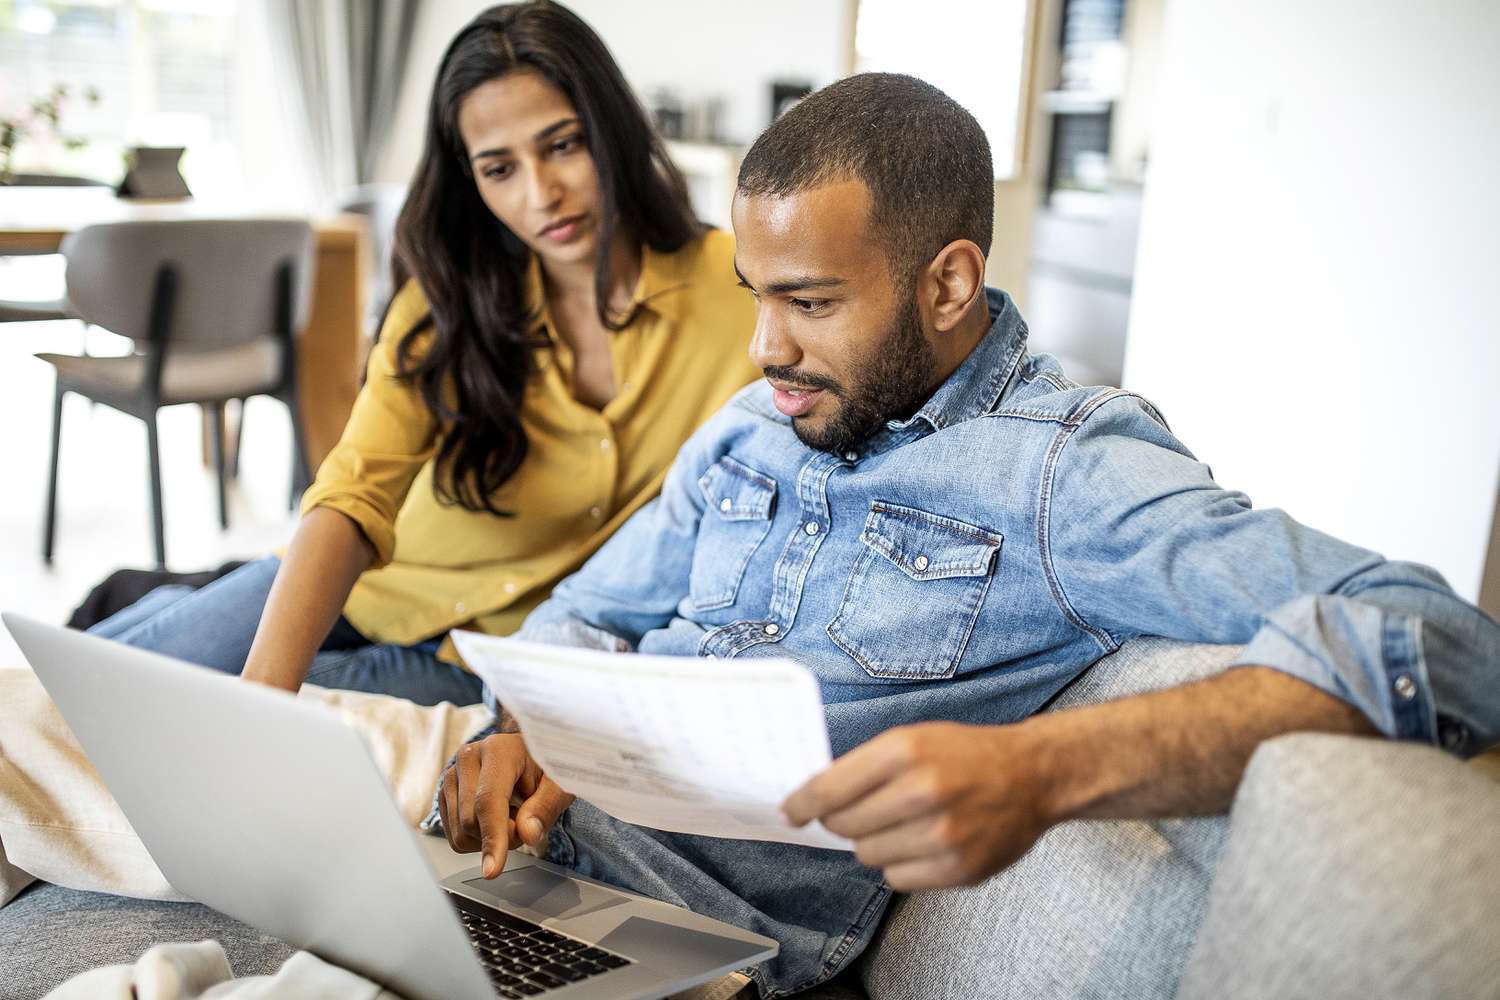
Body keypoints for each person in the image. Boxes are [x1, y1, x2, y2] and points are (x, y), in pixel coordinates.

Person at [434, 73, 1500, 996]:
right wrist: (521, 724)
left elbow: (1441, 636)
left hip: (683, 937)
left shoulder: (1064, 471)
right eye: (756, 297)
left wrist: (1040, 770)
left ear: (946, 282)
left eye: (808, 301)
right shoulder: (758, 424)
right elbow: (585, 610)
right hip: (526, 860)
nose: (765, 347)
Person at [85, 1, 758, 705]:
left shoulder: (739, 287)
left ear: (612, 131)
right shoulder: (449, 298)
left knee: (173, 715)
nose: (542, 194)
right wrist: (262, 697)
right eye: (499, 169)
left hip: (484, 656)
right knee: (81, 690)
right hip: (360, 586)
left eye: (564, 145)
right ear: (472, 181)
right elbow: (353, 492)